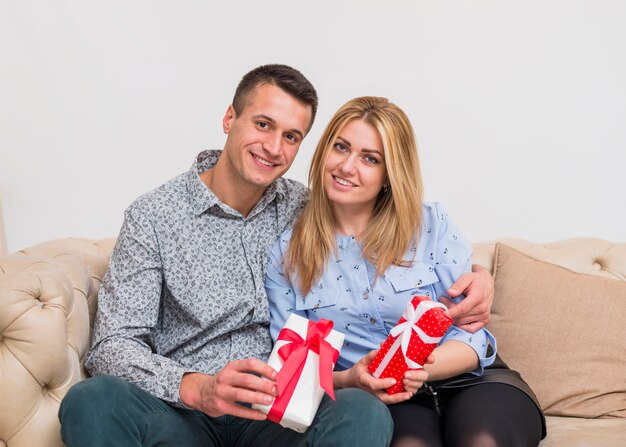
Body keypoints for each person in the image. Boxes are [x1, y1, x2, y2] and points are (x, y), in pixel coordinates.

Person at [58, 64, 493, 446]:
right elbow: (113, 347)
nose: (273, 147)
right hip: (182, 412)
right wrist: (198, 388)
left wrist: (478, 274)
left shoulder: (309, 209)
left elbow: (384, 231)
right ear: (230, 118)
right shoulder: (153, 217)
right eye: (263, 124)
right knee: (92, 400)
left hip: (279, 414)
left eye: (291, 136)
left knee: (362, 411)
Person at [265, 96, 546, 446]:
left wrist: (421, 368)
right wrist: (353, 378)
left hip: (469, 380)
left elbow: (470, 332)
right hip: (386, 399)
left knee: (481, 441)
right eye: (341, 147)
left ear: (389, 175)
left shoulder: (431, 225)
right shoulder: (288, 253)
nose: (347, 166)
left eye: (370, 158)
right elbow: (294, 363)